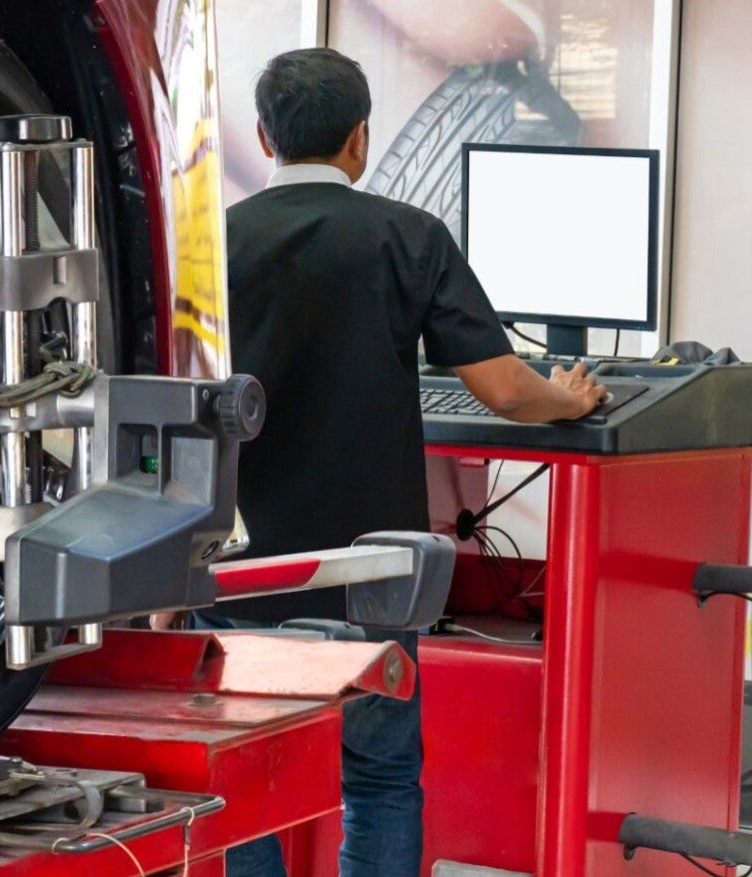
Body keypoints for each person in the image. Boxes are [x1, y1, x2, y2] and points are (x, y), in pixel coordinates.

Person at [203, 48, 606, 877]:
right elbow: (505, 390)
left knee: (247, 786)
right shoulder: (407, 237)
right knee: (380, 778)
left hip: (244, 576)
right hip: (372, 579)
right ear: (360, 138)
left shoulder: (213, 247)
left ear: (265, 138)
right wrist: (567, 399)